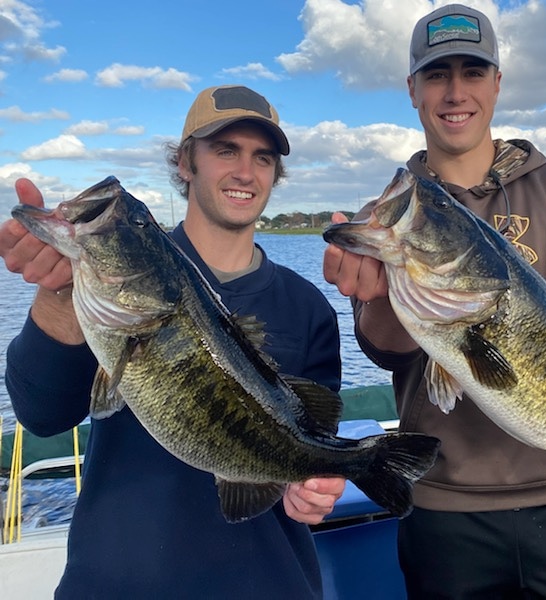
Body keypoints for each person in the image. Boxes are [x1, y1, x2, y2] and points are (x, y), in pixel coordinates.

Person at [324, 5, 546, 598]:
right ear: (412, 89)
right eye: (436, 75)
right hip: (442, 508)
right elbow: (385, 353)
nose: (455, 91)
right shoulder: (391, 213)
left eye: (472, 71)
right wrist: (377, 296)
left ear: (498, 83)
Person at [1, 85, 346, 598]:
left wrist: (317, 488)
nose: (245, 172)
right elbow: (42, 412)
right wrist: (57, 298)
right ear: (185, 163)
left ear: (275, 174)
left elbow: (311, 444)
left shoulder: (309, 308)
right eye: (225, 150)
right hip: (117, 583)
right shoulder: (99, 283)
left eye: (263, 157)